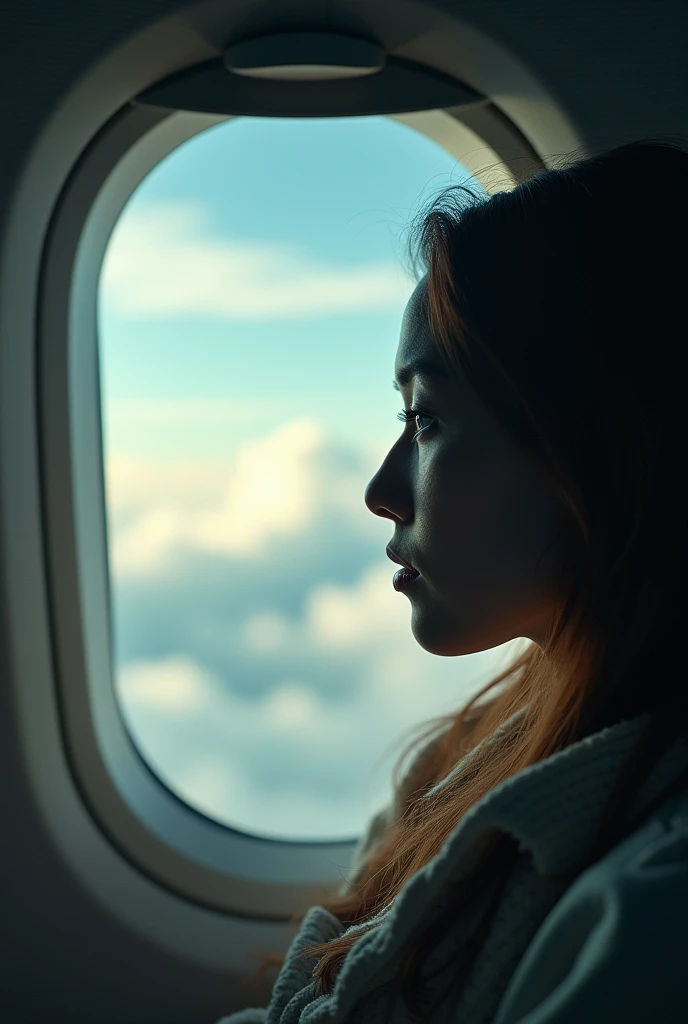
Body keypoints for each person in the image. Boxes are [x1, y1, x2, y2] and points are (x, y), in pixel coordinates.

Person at [217, 137, 688, 1024]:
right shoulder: (483, 746)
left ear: (596, 450)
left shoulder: (651, 914)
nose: (381, 491)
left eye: (426, 418)